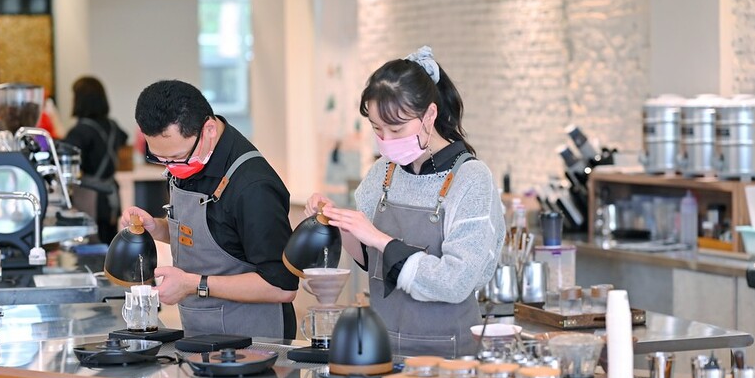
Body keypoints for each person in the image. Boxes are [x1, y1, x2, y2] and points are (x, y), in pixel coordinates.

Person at [305, 46, 505, 357]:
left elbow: (457, 282)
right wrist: (336, 220)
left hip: (449, 358)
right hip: (382, 349)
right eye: (377, 129)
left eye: (396, 128)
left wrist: (380, 239)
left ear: (430, 116)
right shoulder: (382, 173)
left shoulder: (471, 179)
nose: (386, 140)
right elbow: (371, 261)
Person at [121, 80, 298, 338]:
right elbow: (216, 237)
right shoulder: (192, 157)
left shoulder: (253, 186)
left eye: (178, 158)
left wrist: (194, 285)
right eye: (161, 159)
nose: (171, 167)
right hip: (202, 338)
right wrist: (157, 228)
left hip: (256, 345)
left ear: (209, 130)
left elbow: (282, 287)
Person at [63, 76, 128, 244]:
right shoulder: (113, 125)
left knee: (91, 246)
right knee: (110, 242)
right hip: (111, 193)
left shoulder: (80, 131)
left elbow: (65, 154)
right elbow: (124, 138)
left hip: (90, 196)